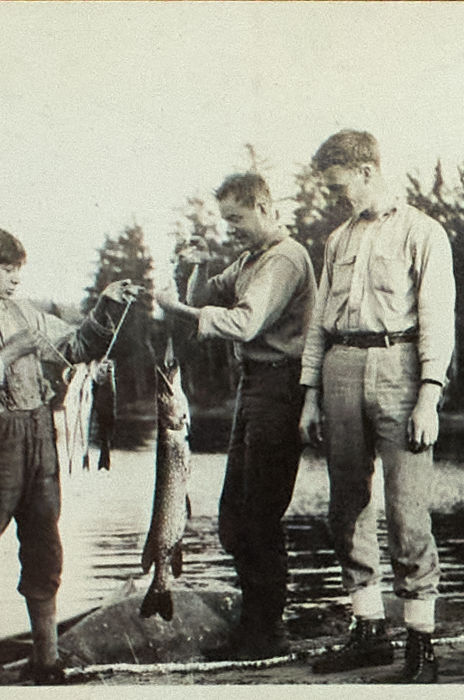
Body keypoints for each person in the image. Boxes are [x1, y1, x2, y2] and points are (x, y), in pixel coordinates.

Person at [0, 226, 142, 685]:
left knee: (45, 546)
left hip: (41, 434)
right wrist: (8, 355)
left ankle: (46, 660)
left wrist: (106, 304)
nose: (16, 280)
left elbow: (78, 345)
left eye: (19, 271)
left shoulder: (26, 312)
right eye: (8, 271)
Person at [298, 130, 455, 683]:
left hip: (401, 368)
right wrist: (311, 395)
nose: (336, 198)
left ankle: (420, 642)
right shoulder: (337, 241)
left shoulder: (424, 232)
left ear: (366, 171)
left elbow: (439, 318)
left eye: (339, 186)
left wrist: (429, 396)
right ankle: (367, 629)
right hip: (341, 366)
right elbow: (319, 325)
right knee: (346, 505)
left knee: (409, 512)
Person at [155, 172, 316, 660]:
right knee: (234, 515)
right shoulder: (250, 259)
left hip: (281, 387)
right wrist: (198, 269)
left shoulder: (285, 259)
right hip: (254, 388)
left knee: (259, 513)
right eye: (226, 221)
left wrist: (172, 307)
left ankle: (265, 632)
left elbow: (243, 323)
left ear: (265, 206)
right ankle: (256, 623)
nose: (231, 230)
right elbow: (207, 300)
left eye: (237, 219)